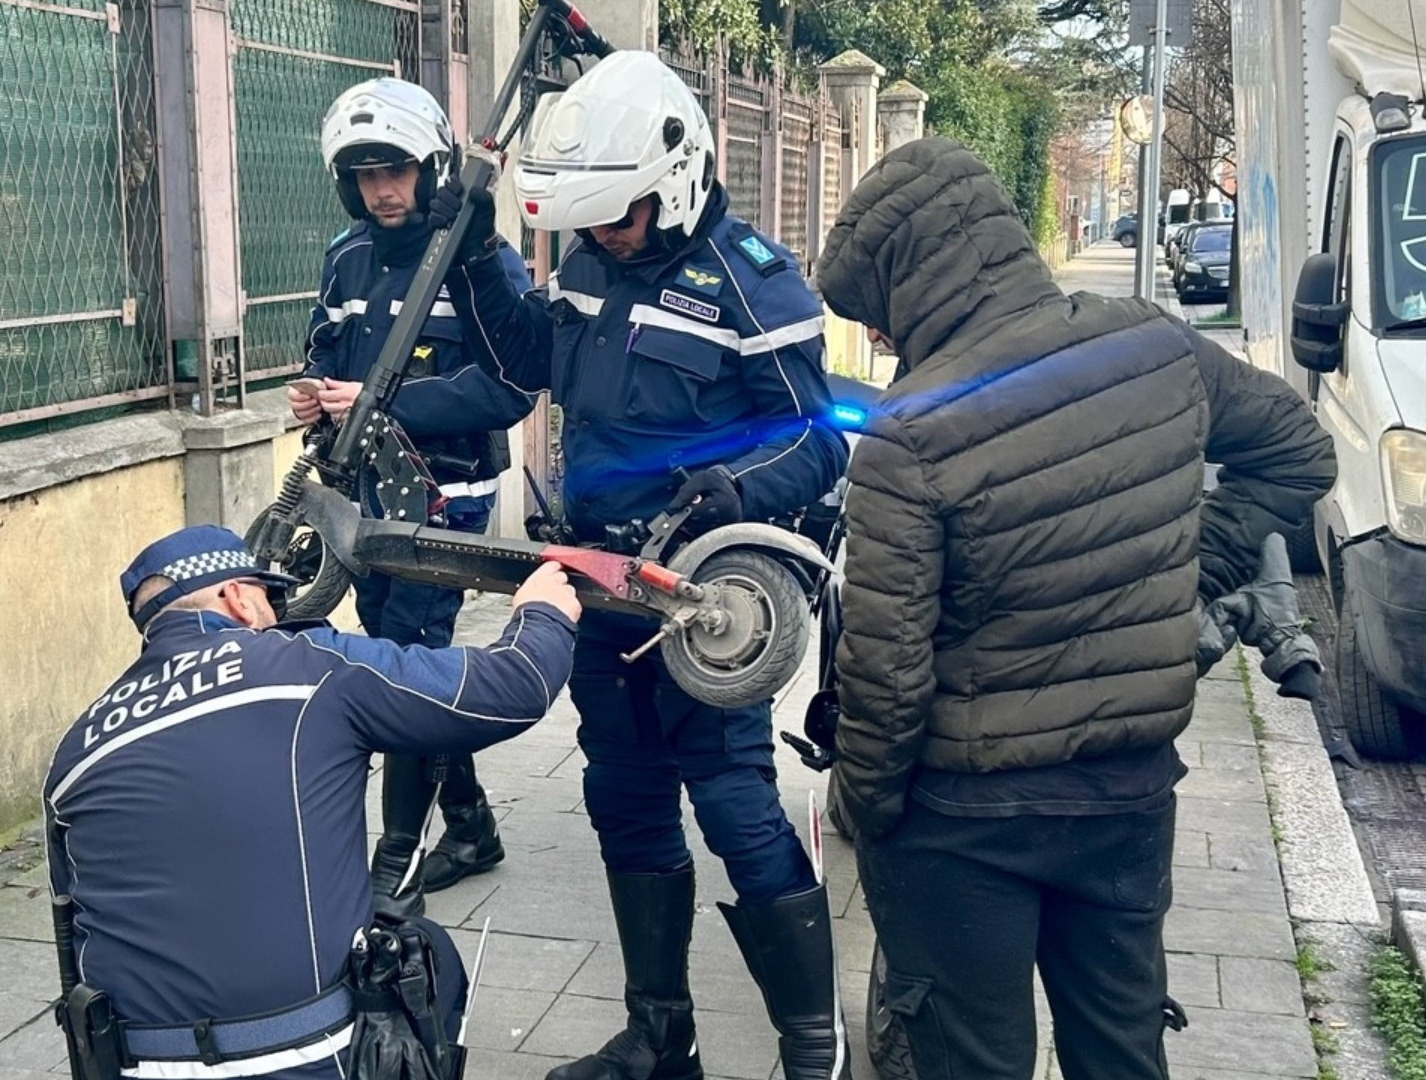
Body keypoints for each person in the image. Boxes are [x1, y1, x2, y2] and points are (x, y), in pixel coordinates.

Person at [814, 138, 1336, 1080]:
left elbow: (886, 673)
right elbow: (1300, 452)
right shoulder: (1160, 347)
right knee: (1123, 1050)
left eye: (877, 316)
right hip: (1127, 793)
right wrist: (1190, 572)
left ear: (914, 280)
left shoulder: (909, 434)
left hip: (964, 817)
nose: (881, 342)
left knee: (969, 1060)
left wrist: (866, 805)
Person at [436, 50, 852, 1080]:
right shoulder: (589, 266)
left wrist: (737, 488)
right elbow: (527, 361)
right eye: (588, 222)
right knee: (622, 799)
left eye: (616, 217)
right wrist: (474, 254)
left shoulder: (757, 283)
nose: (602, 236)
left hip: (702, 600)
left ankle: (814, 1049)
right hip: (598, 586)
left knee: (736, 808)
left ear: (675, 181)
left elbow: (819, 439)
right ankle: (661, 1037)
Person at [43, 524, 581, 1080]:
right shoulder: (306, 665)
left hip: (137, 1064)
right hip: (306, 1055)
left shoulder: (74, 751)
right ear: (238, 597)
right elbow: (514, 686)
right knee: (428, 953)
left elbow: (73, 936)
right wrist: (542, 612)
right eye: (270, 597)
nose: (275, 613)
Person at [290, 77, 540, 921]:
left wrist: (383, 401)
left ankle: (392, 864)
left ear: (428, 168)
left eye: (395, 170)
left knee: (406, 659)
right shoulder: (345, 255)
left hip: (445, 497)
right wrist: (316, 391)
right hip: (362, 492)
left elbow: (508, 389)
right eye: (365, 175)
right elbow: (325, 345)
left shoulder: (478, 258)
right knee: (398, 649)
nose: (382, 190)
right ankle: (470, 825)